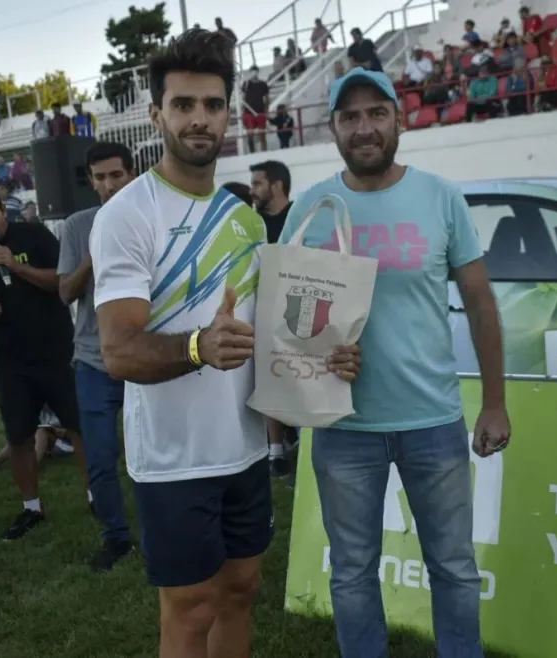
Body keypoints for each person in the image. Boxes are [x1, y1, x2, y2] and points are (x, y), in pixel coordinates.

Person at [89, 29, 361, 658]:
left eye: (212, 104)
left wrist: (329, 355)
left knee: (241, 588)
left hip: (242, 448)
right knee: (190, 610)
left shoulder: (243, 218)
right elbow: (118, 351)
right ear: (157, 114)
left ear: (228, 113)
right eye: (183, 104)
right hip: (174, 458)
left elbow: (271, 330)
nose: (199, 118)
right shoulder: (127, 215)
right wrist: (195, 348)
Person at [279, 67, 510, 657]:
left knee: (454, 568)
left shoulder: (440, 196)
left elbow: (481, 304)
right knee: (353, 573)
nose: (364, 128)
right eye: (350, 116)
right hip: (343, 426)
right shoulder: (313, 207)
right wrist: (322, 347)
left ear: (399, 120)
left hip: (432, 420)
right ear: (332, 128)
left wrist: (495, 402)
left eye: (376, 113)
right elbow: (288, 320)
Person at [0, 178, 87, 540]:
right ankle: (31, 508)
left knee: (79, 428)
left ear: (3, 210)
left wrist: (15, 267)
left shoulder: (34, 236)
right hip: (11, 361)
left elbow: (62, 284)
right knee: (18, 436)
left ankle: (97, 497)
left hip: (59, 351)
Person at [57, 141, 137, 572]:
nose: (108, 185)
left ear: (131, 173)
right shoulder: (77, 225)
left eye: (116, 176)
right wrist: (95, 252)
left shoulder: (152, 219)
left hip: (145, 356)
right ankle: (116, 538)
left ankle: (163, 527)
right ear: (91, 181)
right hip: (93, 360)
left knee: (153, 452)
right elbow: (65, 291)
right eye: (100, 178)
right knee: (102, 459)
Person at [249, 159, 299, 478]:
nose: (251, 191)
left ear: (276, 186)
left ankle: (303, 439)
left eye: (257, 184)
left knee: (302, 376)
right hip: (263, 308)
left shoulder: (300, 217)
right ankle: (276, 449)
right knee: (268, 375)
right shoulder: (251, 224)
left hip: (297, 309)